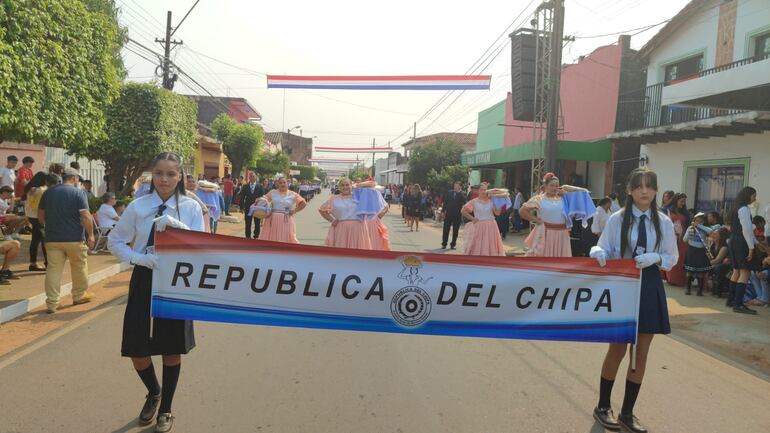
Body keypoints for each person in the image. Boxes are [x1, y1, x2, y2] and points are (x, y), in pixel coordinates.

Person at [108, 152, 204, 432]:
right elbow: (116, 242)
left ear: (180, 177)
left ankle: (166, 409)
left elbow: (201, 245)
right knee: (137, 349)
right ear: (151, 175)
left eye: (171, 174)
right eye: (159, 173)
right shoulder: (138, 207)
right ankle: (154, 391)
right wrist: (138, 259)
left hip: (176, 281)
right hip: (145, 276)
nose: (164, 179)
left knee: (171, 350)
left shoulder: (190, 207)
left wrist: (179, 227)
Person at [589, 167, 678, 433]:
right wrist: (597, 251)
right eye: (639, 186)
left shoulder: (663, 222)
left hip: (649, 285)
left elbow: (671, 257)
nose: (644, 191)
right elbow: (603, 246)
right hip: (622, 284)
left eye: (650, 186)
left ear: (655, 190)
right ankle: (603, 405)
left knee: (640, 352)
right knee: (617, 347)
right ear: (629, 189)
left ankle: (628, 413)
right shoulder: (617, 219)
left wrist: (657, 258)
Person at [38, 167, 96, 313]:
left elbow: (40, 215)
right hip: (74, 238)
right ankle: (79, 295)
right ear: (74, 178)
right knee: (79, 266)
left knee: (53, 270)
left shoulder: (48, 192)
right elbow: (86, 216)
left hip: (52, 239)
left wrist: (47, 227)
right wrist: (91, 235)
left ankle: (52, 303)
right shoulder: (78, 193)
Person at [520, 173, 592, 257]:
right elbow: (522, 211)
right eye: (552, 185)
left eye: (557, 185)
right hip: (546, 233)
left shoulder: (564, 198)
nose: (554, 188)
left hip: (562, 234)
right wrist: (536, 220)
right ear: (545, 186)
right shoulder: (539, 199)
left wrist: (568, 187)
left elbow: (585, 193)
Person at [726, 186, 759, 314]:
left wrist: (755, 242)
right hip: (741, 242)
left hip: (733, 240)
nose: (755, 198)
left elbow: (744, 229)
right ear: (748, 195)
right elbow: (746, 229)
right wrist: (751, 248)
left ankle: (731, 300)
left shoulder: (735, 208)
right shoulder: (744, 209)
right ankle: (738, 304)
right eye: (754, 195)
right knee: (745, 272)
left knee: (736, 270)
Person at [318, 178, 371, 249]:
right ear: (339, 187)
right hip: (341, 229)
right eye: (342, 185)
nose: (345, 187)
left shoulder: (358, 197)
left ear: (351, 185)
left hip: (358, 228)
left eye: (347, 185)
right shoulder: (334, 199)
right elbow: (322, 210)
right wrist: (332, 220)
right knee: (341, 252)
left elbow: (372, 190)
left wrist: (361, 185)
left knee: (357, 252)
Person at [461, 183, 505, 256]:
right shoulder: (474, 201)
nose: (483, 191)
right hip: (479, 226)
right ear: (478, 191)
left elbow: (497, 213)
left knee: (491, 244)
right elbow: (463, 211)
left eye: (485, 190)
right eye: (481, 190)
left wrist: (499, 204)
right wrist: (472, 218)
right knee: (478, 245)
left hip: (491, 226)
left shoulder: (491, 201)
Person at [258, 176, 306, 243]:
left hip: (286, 220)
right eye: (280, 183)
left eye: (284, 182)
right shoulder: (273, 192)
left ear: (287, 183)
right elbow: (264, 199)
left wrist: (295, 210)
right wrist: (259, 200)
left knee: (287, 238)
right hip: (272, 220)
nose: (282, 184)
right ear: (278, 184)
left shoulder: (292, 194)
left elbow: (303, 203)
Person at [24, 172, 52, 271]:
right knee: (44, 240)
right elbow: (41, 207)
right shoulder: (41, 190)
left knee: (35, 240)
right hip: (38, 217)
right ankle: (48, 264)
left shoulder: (30, 188)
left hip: (31, 216)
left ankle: (33, 263)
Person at [682, 212, 715, 296]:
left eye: (700, 221)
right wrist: (690, 231)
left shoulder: (704, 229)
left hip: (701, 251)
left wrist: (699, 226)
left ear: (703, 222)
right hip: (692, 251)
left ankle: (699, 290)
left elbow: (710, 231)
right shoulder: (690, 228)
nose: (698, 222)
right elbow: (684, 240)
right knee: (689, 271)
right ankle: (688, 288)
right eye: (696, 221)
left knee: (701, 272)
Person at [665, 193, 689, 286]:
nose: (683, 203)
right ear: (676, 201)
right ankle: (671, 278)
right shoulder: (667, 210)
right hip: (671, 236)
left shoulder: (685, 212)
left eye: (684, 202)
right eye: (681, 201)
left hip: (682, 238)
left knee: (680, 258)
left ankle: (678, 279)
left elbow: (687, 225)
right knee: (672, 256)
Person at [441, 181, 467, 250]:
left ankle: (453, 244)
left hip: (457, 214)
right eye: (454, 185)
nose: (455, 187)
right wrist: (443, 211)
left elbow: (464, 202)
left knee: (455, 230)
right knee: (446, 229)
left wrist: (459, 193)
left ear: (460, 187)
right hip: (449, 214)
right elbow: (445, 202)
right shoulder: (449, 192)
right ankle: (444, 244)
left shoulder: (463, 194)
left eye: (456, 186)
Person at [240, 172, 264, 239]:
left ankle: (256, 236)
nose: (252, 178)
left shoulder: (260, 186)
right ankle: (248, 237)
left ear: (256, 177)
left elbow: (262, 198)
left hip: (257, 207)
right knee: (248, 223)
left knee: (257, 223)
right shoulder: (245, 186)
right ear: (249, 178)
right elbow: (242, 197)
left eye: (253, 176)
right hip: (248, 207)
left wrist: (262, 207)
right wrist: (241, 207)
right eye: (250, 176)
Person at [708, 228, 731, 298]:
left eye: (716, 234)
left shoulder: (724, 247)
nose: (713, 235)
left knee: (718, 268)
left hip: (723, 265)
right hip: (715, 264)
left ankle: (719, 290)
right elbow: (710, 257)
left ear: (721, 236)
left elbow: (717, 260)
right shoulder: (713, 245)